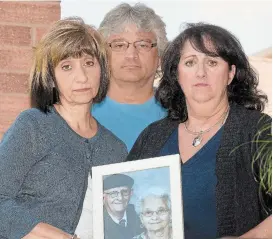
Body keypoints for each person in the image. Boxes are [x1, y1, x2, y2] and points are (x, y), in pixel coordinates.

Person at [127, 23, 272, 238]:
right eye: (190, 62)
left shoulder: (257, 130)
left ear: (230, 73)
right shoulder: (152, 137)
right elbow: (124, 205)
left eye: (212, 62)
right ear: (177, 73)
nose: (201, 73)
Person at [0, 17, 127, 239]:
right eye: (67, 67)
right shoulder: (33, 125)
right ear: (51, 79)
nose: (82, 77)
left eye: (89, 63)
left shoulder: (116, 149)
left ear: (102, 70)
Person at [92, 3, 168, 151]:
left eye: (143, 45)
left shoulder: (179, 113)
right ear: (103, 55)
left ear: (160, 56)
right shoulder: (81, 112)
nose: (131, 55)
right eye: (119, 45)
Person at [103, 174, 143, 239]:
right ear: (103, 197)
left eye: (124, 192)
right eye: (113, 193)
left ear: (131, 193)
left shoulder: (138, 217)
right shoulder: (99, 222)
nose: (120, 198)